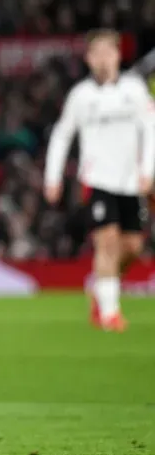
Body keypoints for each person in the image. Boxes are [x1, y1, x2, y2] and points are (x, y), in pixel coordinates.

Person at [44, 29, 155, 331]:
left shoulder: (134, 90)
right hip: (96, 179)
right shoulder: (81, 95)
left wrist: (148, 170)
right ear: (89, 59)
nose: (104, 58)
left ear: (119, 55)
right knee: (106, 242)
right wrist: (52, 177)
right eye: (98, 53)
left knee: (131, 247)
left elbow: (151, 128)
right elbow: (62, 134)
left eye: (110, 51)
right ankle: (110, 313)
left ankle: (102, 289)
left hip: (131, 180)